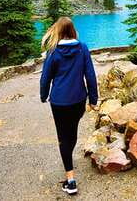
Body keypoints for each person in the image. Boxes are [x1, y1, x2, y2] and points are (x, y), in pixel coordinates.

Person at [39, 17, 98, 196]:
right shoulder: (83, 48)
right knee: (71, 133)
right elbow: (90, 75)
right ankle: (68, 160)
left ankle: (71, 180)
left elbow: (45, 77)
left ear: (58, 31)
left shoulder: (53, 51)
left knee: (63, 137)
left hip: (59, 101)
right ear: (73, 30)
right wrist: (93, 99)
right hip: (79, 99)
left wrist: (43, 96)